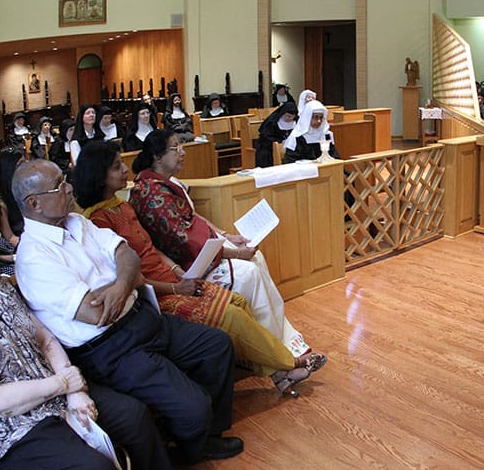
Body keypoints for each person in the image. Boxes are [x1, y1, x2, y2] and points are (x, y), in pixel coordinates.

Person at [13, 159, 243, 464]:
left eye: (66, 180)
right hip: (110, 349)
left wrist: (119, 284)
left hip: (142, 318)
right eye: (60, 185)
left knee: (217, 346)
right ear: (34, 204)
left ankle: (204, 438)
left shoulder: (77, 222)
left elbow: (128, 254)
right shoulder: (33, 257)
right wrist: (127, 280)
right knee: (194, 407)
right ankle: (187, 451)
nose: (70, 188)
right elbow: (94, 313)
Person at [75, 141, 326, 394]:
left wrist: (176, 271)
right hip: (155, 295)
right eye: (117, 167)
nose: (124, 170)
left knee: (237, 302)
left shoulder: (121, 205)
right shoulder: (98, 221)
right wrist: (176, 287)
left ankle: (275, 368)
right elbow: (130, 278)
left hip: (170, 277)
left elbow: (152, 249)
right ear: (99, 175)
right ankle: (287, 364)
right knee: (233, 314)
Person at [0, 268, 182, 470]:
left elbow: (45, 338)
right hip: (10, 427)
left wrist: (75, 392)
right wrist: (63, 384)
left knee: (134, 417)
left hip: (58, 388)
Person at [130, 130, 311, 357]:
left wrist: (227, 235)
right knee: (249, 274)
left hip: (203, 248)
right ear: (157, 157)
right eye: (176, 148)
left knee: (257, 257)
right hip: (187, 265)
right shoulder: (152, 192)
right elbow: (185, 242)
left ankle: (284, 338)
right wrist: (235, 254)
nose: (183, 153)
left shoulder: (165, 182)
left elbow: (193, 217)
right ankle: (273, 350)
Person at [0, 147, 26, 239]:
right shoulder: (0, 201)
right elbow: (10, 238)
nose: (26, 168)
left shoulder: (28, 188)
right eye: (20, 165)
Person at [256, 102, 297, 167]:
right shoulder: (273, 122)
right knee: (265, 153)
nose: (290, 119)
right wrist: (279, 142)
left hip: (288, 146)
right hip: (269, 145)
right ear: (283, 114)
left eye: (292, 117)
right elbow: (266, 136)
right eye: (288, 116)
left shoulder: (296, 121)